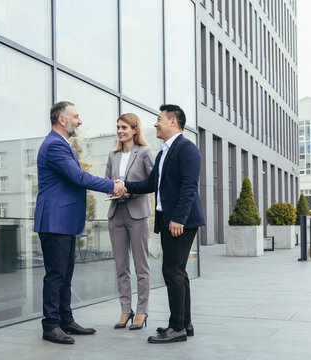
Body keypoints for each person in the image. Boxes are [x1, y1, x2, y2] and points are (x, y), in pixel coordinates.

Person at [34, 101, 126, 345]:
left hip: (63, 222)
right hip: (54, 222)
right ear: (62, 120)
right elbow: (78, 177)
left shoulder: (61, 144)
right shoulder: (54, 145)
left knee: (65, 275)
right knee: (56, 276)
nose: (79, 121)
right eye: (76, 116)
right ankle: (51, 325)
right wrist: (112, 185)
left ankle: (65, 319)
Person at [124, 104, 205, 344]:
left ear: (172, 121)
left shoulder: (187, 149)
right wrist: (123, 185)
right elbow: (150, 184)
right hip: (170, 220)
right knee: (178, 272)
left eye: (159, 119)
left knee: (172, 271)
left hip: (181, 221)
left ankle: (177, 327)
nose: (155, 123)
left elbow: (189, 186)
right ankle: (184, 323)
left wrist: (178, 218)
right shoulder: (163, 152)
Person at [105, 113, 154, 330]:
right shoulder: (112, 155)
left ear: (135, 129)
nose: (120, 131)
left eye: (124, 127)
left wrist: (130, 192)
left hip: (137, 214)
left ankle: (142, 311)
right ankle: (126, 309)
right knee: (121, 266)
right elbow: (107, 182)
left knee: (141, 266)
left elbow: (152, 183)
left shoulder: (144, 153)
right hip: (116, 214)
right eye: (118, 127)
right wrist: (112, 191)